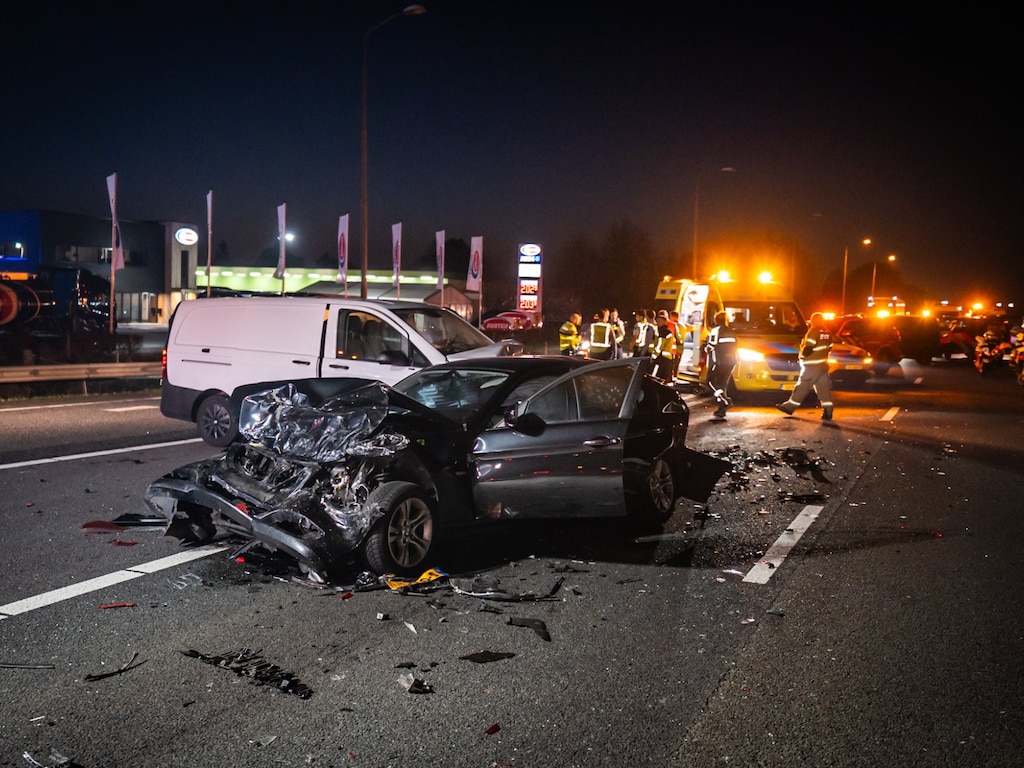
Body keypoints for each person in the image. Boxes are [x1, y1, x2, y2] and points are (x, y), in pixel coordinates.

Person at [776, 311, 835, 420]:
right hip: (822, 366)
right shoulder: (827, 332)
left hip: (812, 365)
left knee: (802, 386)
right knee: (824, 389)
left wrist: (802, 356)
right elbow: (830, 347)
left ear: (814, 321)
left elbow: (808, 347)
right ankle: (828, 411)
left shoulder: (813, 331)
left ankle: (790, 407)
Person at [705, 311, 737, 418]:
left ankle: (725, 401)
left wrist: (705, 348)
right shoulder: (731, 331)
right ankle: (721, 410)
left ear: (715, 319)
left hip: (719, 361)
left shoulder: (715, 330)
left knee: (710, 382)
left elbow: (712, 344)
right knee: (722, 385)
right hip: (731, 361)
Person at [651, 310, 677, 381]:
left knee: (657, 378)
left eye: (659, 321)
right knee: (664, 378)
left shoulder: (663, 332)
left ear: (663, 321)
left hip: (662, 358)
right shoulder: (667, 331)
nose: (657, 323)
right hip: (668, 358)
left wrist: (653, 357)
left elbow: (659, 346)